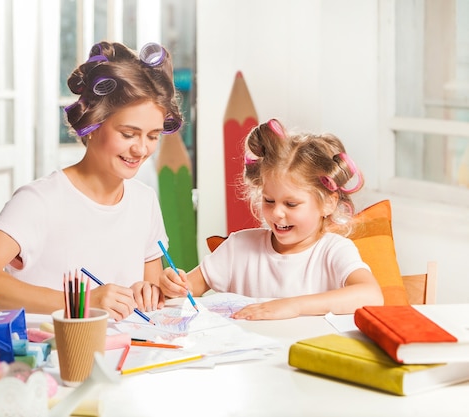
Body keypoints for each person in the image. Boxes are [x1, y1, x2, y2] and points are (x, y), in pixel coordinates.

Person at [0, 41, 183, 321]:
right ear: (93, 125)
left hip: (122, 356)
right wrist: (81, 303)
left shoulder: (144, 201)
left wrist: (155, 291)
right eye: (128, 134)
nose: (141, 149)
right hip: (49, 355)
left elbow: (149, 295)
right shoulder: (40, 200)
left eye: (153, 135)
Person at [159, 119, 384, 320]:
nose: (277, 213)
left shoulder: (334, 251)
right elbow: (188, 289)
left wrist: (292, 306)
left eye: (291, 204)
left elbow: (371, 295)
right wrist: (174, 285)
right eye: (269, 201)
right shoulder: (239, 247)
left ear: (328, 203)